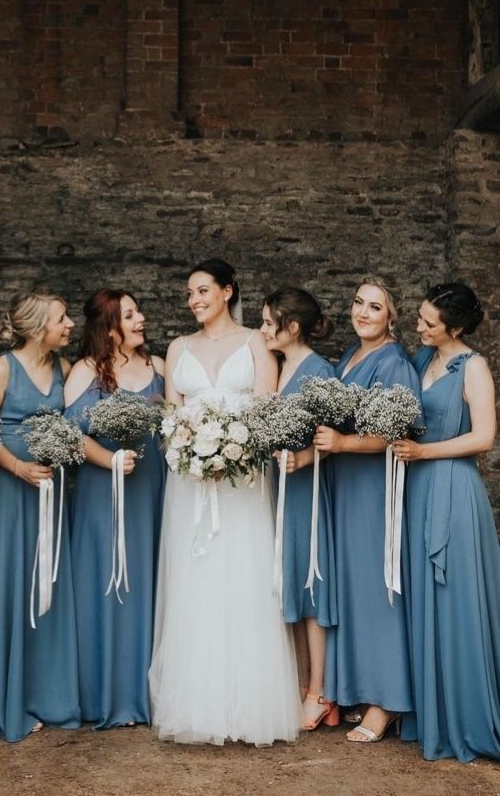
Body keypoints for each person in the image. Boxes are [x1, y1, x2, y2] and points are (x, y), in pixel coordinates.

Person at [149, 259, 303, 746]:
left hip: (243, 482)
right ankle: (199, 705)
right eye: (190, 293)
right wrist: (190, 452)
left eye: (202, 291)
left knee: (245, 579)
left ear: (227, 292)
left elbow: (266, 409)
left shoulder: (255, 343)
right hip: (190, 484)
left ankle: (249, 707)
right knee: (195, 584)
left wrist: (233, 451)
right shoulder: (178, 348)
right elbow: (170, 419)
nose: (194, 300)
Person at [0, 293, 81, 742]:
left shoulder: (63, 370)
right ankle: (4, 701)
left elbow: (70, 425)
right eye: (61, 318)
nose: (69, 324)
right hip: (9, 498)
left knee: (46, 588)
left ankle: (46, 694)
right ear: (36, 329)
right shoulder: (0, 371)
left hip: (48, 495)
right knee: (9, 588)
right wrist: (17, 467)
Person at [393, 283, 500, 761]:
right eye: (419, 317)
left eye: (428, 322)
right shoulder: (420, 361)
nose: (419, 326)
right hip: (417, 489)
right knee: (422, 598)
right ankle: (430, 710)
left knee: (456, 600)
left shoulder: (473, 367)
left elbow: (484, 437)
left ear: (454, 327)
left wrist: (423, 452)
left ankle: (467, 715)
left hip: (454, 488)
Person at [316, 276, 421, 743]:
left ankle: (386, 702)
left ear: (391, 317)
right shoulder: (351, 355)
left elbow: (396, 432)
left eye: (375, 307)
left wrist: (340, 441)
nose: (362, 312)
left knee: (379, 587)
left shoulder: (394, 362)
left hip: (373, 486)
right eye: (358, 302)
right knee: (354, 586)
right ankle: (362, 688)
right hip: (347, 482)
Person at [64, 289, 165, 728]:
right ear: (109, 327)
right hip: (99, 494)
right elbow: (69, 433)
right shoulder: (85, 371)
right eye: (130, 314)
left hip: (151, 492)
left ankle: (148, 693)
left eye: (138, 310)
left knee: (148, 582)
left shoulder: (159, 368)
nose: (141, 318)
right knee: (102, 584)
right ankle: (101, 694)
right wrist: (110, 460)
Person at [261, 288, 338, 731]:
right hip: (278, 486)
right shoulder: (277, 365)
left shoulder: (318, 371)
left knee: (311, 589)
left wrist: (305, 457)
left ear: (292, 328)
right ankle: (299, 684)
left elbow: (333, 439)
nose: (263, 330)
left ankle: (319, 691)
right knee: (288, 584)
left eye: (270, 323)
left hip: (306, 489)